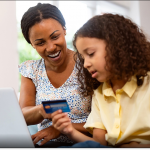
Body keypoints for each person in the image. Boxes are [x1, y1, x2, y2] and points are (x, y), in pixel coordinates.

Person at [51, 13, 150, 148]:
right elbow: (98, 143)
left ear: (117, 46)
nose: (85, 64)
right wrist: (69, 131)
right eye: (83, 57)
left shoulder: (147, 84)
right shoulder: (100, 93)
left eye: (91, 54)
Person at [18, 3, 91, 148]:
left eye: (55, 36)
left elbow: (106, 122)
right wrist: (41, 109)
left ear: (64, 29)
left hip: (85, 143)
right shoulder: (31, 70)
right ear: (32, 44)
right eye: (40, 43)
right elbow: (22, 116)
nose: (51, 47)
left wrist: (60, 128)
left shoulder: (88, 63)